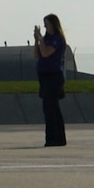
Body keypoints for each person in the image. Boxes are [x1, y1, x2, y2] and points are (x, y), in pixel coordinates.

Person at [35, 14, 70, 147]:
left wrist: (40, 40)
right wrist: (37, 40)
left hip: (53, 76)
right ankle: (55, 138)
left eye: (47, 24)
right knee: (49, 108)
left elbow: (45, 53)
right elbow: (37, 54)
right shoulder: (46, 39)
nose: (45, 27)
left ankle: (55, 138)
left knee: (50, 107)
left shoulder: (57, 39)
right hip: (44, 76)